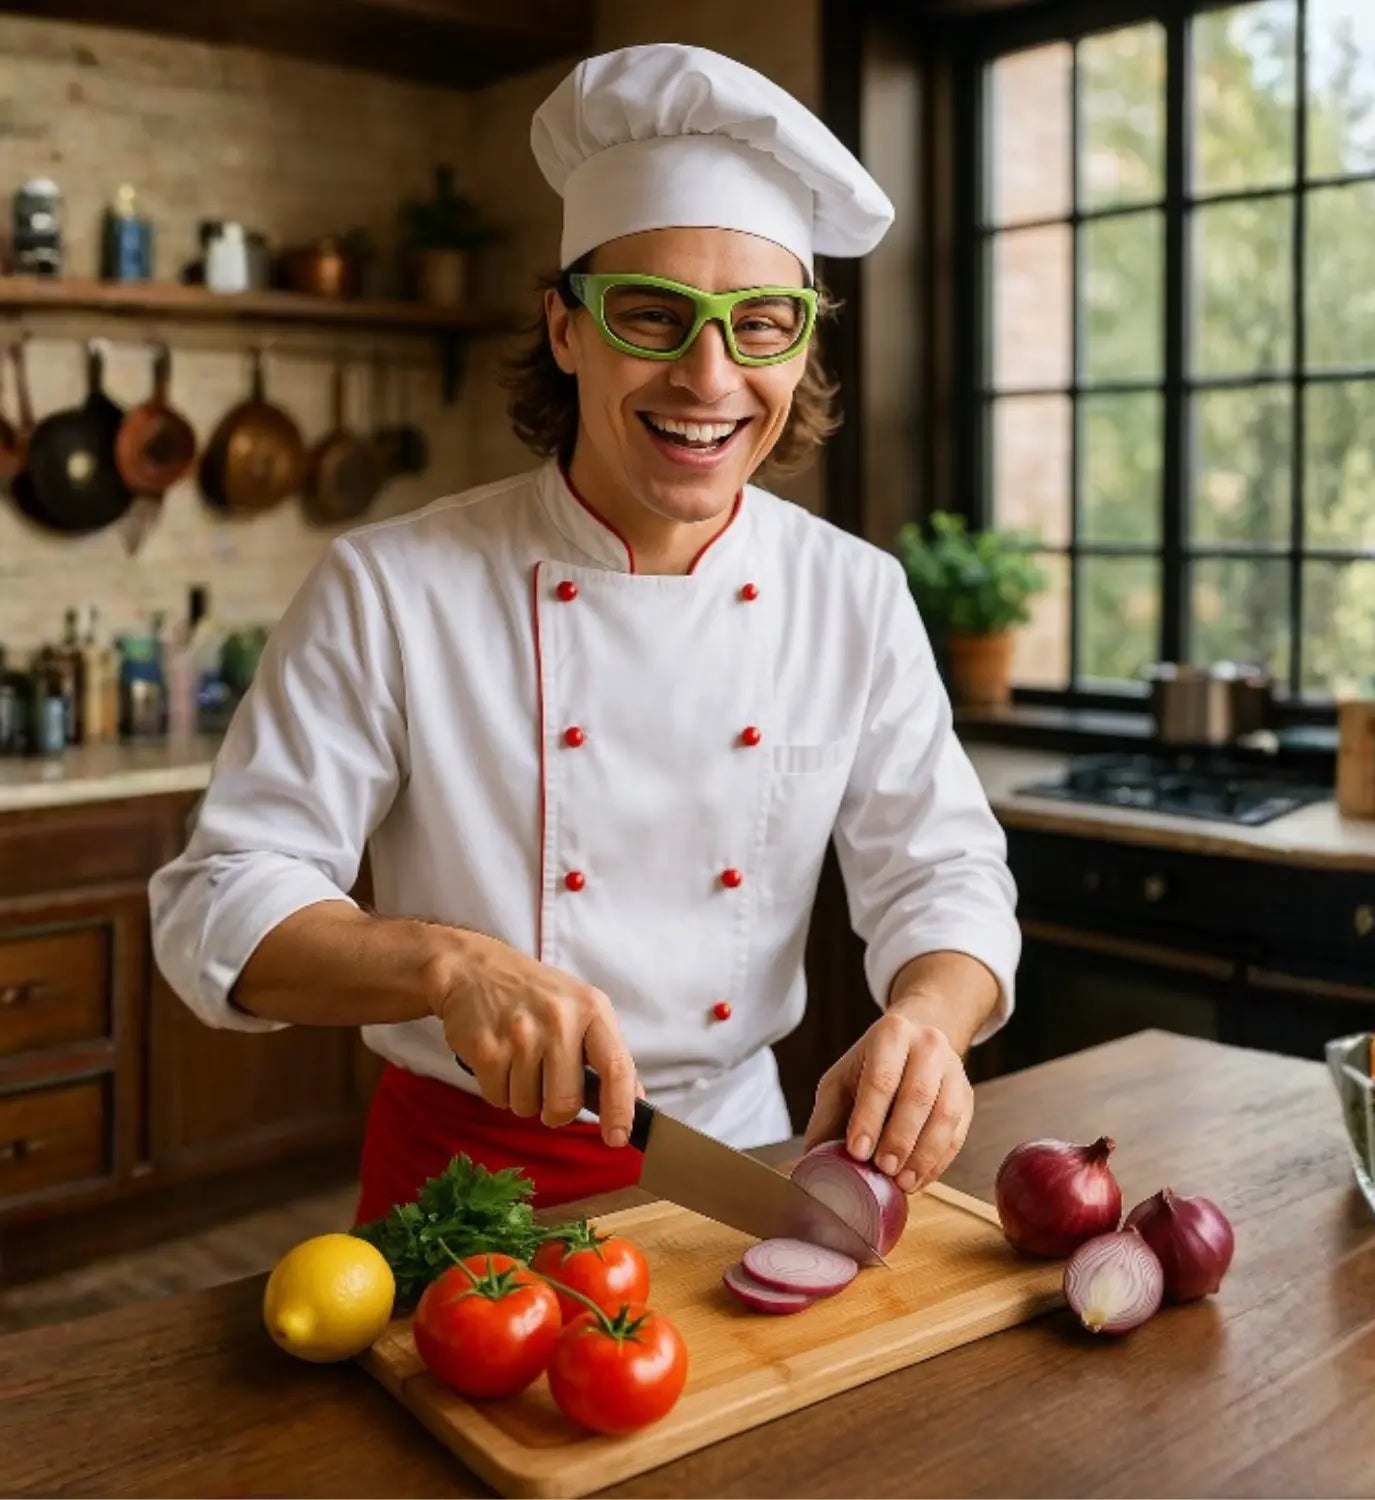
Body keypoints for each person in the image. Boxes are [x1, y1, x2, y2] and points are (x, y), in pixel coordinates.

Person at [148, 43, 1022, 1226]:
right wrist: (445, 966)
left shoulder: (852, 594)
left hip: (748, 1173)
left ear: (804, 343)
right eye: (652, 316)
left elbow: (947, 875)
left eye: (761, 324)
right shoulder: (393, 586)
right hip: (462, 1186)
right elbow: (220, 899)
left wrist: (930, 1016)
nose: (708, 377)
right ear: (564, 327)